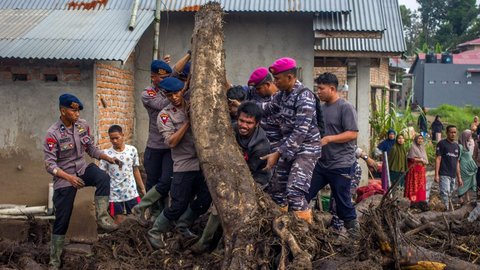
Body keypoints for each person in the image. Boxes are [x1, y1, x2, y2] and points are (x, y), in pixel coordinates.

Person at [44, 94, 121, 269]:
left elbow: (90, 149)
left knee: (102, 177)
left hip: (82, 169)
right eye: (73, 110)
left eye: (78, 110)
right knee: (62, 219)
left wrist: (106, 157)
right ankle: (54, 260)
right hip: (65, 177)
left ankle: (103, 219)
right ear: (63, 111)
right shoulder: (52, 133)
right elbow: (49, 165)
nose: (77, 114)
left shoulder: (82, 126)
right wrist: (69, 178)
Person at [190, 101, 272, 253]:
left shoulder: (261, 146)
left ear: (257, 124)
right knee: (219, 201)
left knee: (237, 205)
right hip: (232, 173)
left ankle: (231, 245)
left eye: (249, 123)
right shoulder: (230, 130)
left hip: (255, 179)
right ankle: (206, 241)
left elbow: (248, 174)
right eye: (241, 120)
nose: (244, 125)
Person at [148, 77, 212, 249]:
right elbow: (171, 142)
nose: (174, 97)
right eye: (169, 95)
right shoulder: (165, 115)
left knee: (205, 199)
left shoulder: (194, 104)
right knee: (177, 204)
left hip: (202, 162)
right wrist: (187, 123)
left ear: (182, 90)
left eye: (177, 93)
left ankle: (183, 225)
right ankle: (155, 231)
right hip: (183, 164)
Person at [260, 57, 321, 223]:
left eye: (278, 79)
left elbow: (300, 132)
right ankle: (282, 223)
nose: (275, 82)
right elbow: (266, 109)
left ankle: (304, 232)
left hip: (306, 148)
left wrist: (278, 153)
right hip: (288, 148)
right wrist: (242, 107)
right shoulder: (281, 96)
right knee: (276, 189)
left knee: (294, 191)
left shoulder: (304, 96)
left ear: (290, 77)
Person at [307, 72, 359, 234]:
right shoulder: (321, 109)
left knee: (342, 202)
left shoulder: (345, 107)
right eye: (317, 89)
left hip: (341, 164)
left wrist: (329, 139)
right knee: (304, 192)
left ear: (332, 88)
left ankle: (355, 235)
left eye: (321, 89)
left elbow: (353, 133)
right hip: (322, 163)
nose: (319, 92)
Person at [133, 60, 174, 226]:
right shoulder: (148, 93)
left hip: (170, 148)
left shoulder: (171, 88)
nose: (165, 80)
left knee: (166, 182)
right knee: (152, 182)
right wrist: (178, 89)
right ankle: (153, 216)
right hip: (154, 146)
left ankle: (153, 213)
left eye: (168, 77)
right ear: (153, 77)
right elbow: (162, 104)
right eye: (162, 77)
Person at [99, 125, 146, 224]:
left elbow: (135, 170)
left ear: (122, 135)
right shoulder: (106, 154)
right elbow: (102, 175)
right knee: (118, 220)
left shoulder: (132, 150)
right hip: (115, 194)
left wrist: (142, 188)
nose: (115, 141)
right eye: (112, 138)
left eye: (117, 138)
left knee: (136, 219)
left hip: (131, 191)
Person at [247, 67, 282, 150]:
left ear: (268, 84)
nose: (257, 91)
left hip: (278, 148)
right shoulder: (261, 96)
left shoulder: (282, 98)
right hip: (263, 147)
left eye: (259, 88)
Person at [435, 125, 463, 210]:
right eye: (451, 132)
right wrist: (436, 175)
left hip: (453, 175)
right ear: (446, 133)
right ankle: (446, 213)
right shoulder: (442, 143)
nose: (453, 134)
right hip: (444, 174)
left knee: (450, 195)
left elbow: (457, 162)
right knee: (445, 194)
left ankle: (448, 212)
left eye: (455, 132)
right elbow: (438, 159)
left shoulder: (457, 146)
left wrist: (459, 177)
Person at [405, 135, 428, 202]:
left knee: (421, 186)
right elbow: (411, 158)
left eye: (421, 139)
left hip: (421, 171)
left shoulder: (423, 148)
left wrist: (424, 161)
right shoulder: (413, 147)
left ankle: (421, 200)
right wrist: (420, 160)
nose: (420, 140)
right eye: (418, 139)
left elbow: (426, 159)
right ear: (415, 139)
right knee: (414, 185)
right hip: (414, 171)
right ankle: (413, 201)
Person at [457, 130, 478, 204]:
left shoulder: (466, 144)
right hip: (464, 168)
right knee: (462, 183)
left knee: (468, 183)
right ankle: (460, 199)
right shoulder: (460, 146)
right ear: (465, 136)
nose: (471, 137)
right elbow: (458, 159)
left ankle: (467, 198)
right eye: (470, 136)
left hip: (469, 169)